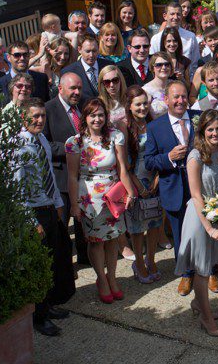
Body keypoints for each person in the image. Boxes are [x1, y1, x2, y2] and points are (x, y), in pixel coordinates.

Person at [13, 99, 75, 336]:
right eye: (34, 116)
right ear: (23, 118)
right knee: (36, 265)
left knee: (52, 262)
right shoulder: (18, 146)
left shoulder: (42, 142)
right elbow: (16, 187)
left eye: (42, 116)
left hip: (49, 206)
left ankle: (47, 307)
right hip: (32, 212)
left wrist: (59, 205)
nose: (39, 120)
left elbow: (48, 172)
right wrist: (31, 222)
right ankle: (37, 317)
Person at [66, 99, 137, 304]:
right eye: (92, 115)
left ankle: (112, 278)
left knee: (113, 239)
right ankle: (101, 280)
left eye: (100, 115)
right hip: (89, 199)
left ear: (106, 117)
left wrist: (130, 193)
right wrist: (73, 205)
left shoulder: (115, 136)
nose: (97, 119)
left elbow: (122, 168)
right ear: (85, 118)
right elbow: (72, 176)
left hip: (113, 197)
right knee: (96, 242)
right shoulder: (75, 142)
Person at [174, 110, 218, 337]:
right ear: (202, 131)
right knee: (202, 270)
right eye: (210, 129)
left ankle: (199, 305)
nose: (215, 133)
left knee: (208, 265)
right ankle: (207, 319)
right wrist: (209, 227)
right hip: (200, 218)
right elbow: (197, 196)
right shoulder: (195, 156)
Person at [143, 79, 198, 295]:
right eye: (176, 97)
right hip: (173, 186)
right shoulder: (155, 127)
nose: (180, 101)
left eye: (184, 96)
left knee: (203, 229)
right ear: (166, 100)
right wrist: (169, 158)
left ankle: (208, 270)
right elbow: (149, 161)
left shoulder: (198, 118)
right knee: (179, 232)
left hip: (199, 187)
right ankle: (185, 272)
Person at [43, 72, 89, 264]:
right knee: (63, 224)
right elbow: (46, 143)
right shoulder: (48, 109)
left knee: (83, 221)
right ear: (60, 88)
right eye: (73, 88)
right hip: (61, 176)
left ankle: (86, 257)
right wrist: (72, 148)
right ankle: (65, 264)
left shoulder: (85, 105)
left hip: (85, 176)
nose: (77, 92)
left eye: (79, 88)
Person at [121, 85, 162, 283]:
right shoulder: (125, 128)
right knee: (137, 227)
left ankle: (151, 259)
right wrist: (138, 186)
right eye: (138, 104)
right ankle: (138, 261)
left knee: (154, 223)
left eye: (145, 103)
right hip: (135, 181)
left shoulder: (153, 124)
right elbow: (125, 164)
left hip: (154, 179)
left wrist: (156, 179)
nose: (142, 107)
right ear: (129, 106)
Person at [151, 0, 201, 64]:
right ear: (165, 16)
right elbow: (152, 63)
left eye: (178, 14)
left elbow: (195, 62)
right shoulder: (156, 39)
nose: (175, 17)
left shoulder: (191, 37)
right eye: (172, 14)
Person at [62, 34, 107, 100]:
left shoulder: (107, 65)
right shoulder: (69, 71)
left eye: (94, 51)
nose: (91, 55)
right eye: (87, 51)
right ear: (79, 50)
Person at [143, 52, 176, 120]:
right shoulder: (146, 90)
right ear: (152, 68)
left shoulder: (175, 85)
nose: (164, 67)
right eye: (159, 65)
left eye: (167, 64)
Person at [98, 65, 128, 136]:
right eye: (107, 82)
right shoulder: (99, 104)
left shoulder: (129, 98)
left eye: (115, 80)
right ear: (102, 84)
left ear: (121, 80)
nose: (111, 85)